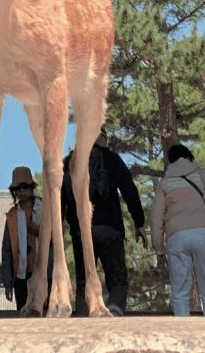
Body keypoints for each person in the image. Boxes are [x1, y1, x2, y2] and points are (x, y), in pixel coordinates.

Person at [61, 130, 146, 315]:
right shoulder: (111, 159)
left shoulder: (69, 162)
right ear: (101, 139)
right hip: (110, 229)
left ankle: (84, 317)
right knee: (117, 278)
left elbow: (60, 200)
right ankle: (114, 310)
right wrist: (139, 222)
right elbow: (129, 190)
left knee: (84, 280)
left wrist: (57, 233)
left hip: (80, 232)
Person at [150, 143, 205, 317]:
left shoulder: (165, 183)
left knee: (180, 292)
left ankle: (183, 335)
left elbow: (156, 219)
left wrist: (159, 248)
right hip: (204, 234)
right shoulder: (202, 173)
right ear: (189, 157)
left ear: (170, 161)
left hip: (177, 237)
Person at [2, 165, 44, 311]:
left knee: (44, 314)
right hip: (21, 275)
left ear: (31, 187)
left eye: (24, 187)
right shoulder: (12, 215)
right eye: (17, 189)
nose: (21, 191)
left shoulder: (44, 207)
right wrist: (8, 283)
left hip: (43, 273)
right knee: (22, 313)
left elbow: (58, 238)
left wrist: (39, 231)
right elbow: (6, 251)